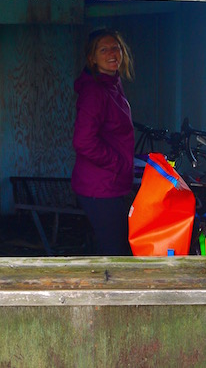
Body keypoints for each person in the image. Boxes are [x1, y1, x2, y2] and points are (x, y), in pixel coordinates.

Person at [71, 29, 135, 256]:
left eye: (115, 48)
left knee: (114, 247)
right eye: (104, 49)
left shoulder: (112, 84)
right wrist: (118, 163)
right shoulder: (95, 91)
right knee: (116, 252)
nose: (112, 54)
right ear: (92, 58)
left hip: (111, 182)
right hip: (101, 186)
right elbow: (83, 141)